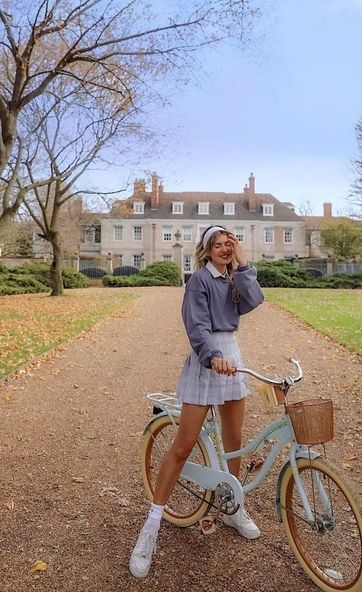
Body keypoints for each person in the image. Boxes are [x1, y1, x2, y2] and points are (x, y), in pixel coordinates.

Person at [129, 225, 264, 578]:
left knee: (234, 443)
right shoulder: (199, 281)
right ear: (206, 252)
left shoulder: (233, 277)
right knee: (183, 444)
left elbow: (254, 300)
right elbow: (196, 326)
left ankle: (233, 509)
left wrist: (243, 260)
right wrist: (211, 355)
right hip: (208, 359)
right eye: (217, 245)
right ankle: (151, 527)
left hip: (232, 354)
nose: (223, 249)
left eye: (228, 244)